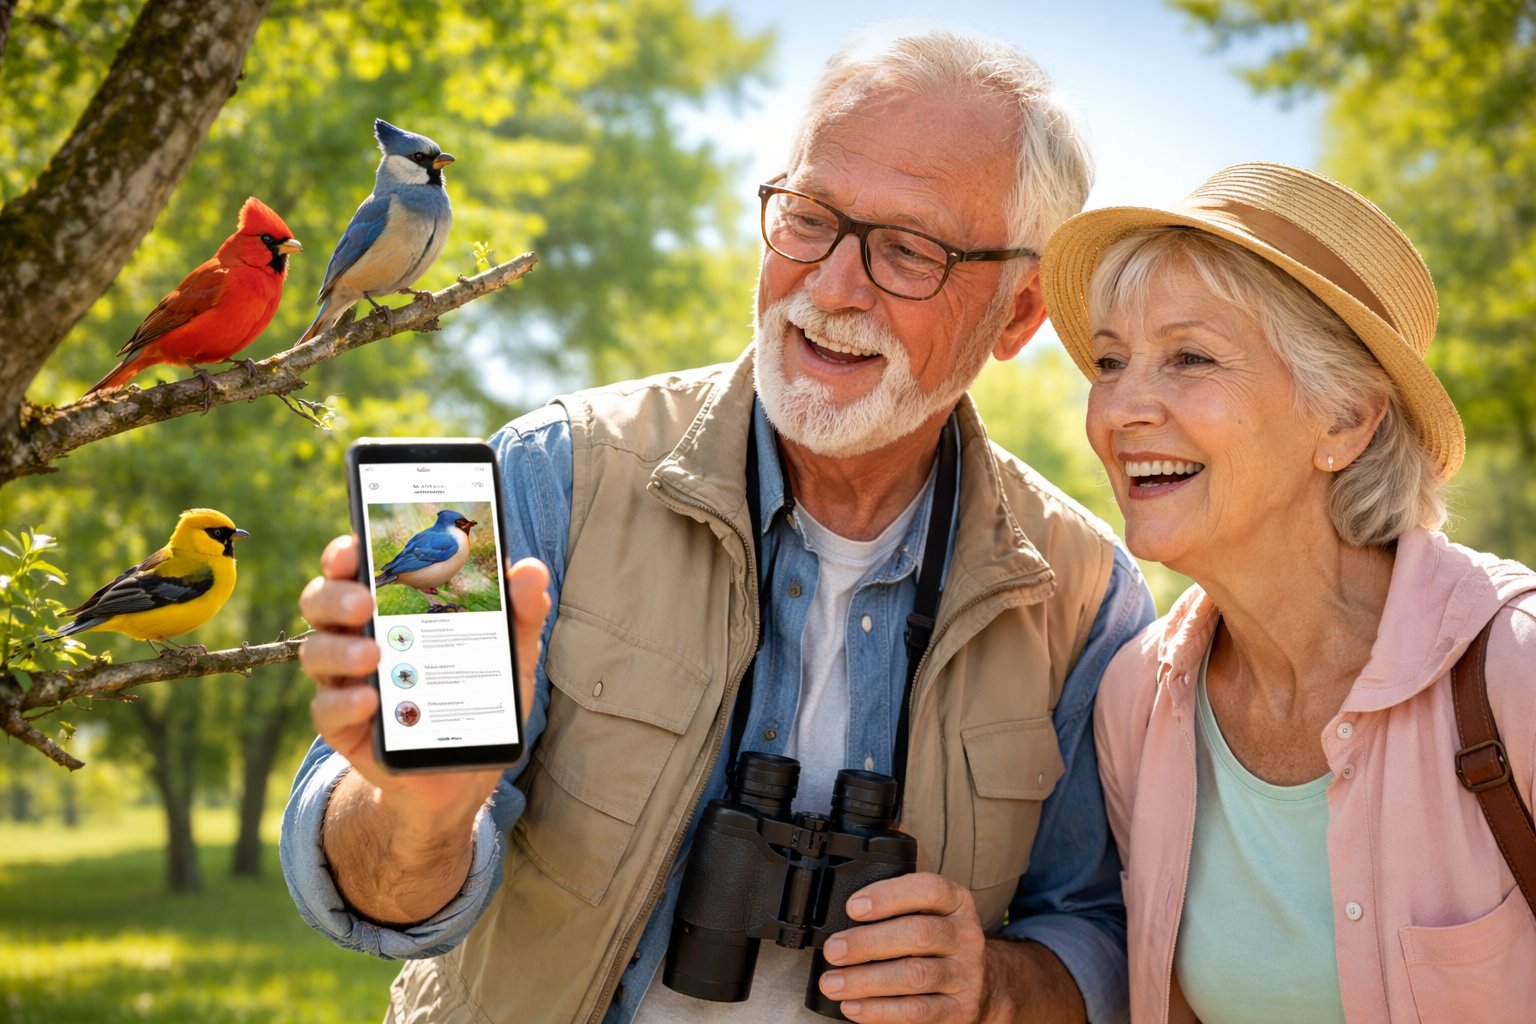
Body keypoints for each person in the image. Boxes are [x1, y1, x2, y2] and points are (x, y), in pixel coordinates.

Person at [282, 28, 1156, 1024]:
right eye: (810, 218)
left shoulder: (1085, 594)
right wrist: (420, 814)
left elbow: (1106, 929)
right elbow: (374, 892)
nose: (830, 286)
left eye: (909, 251)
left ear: (1018, 312)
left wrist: (991, 984)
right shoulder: (552, 475)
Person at [1039, 161, 1536, 1023]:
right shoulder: (1137, 704)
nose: (1119, 408)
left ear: (1345, 420)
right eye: (1112, 361)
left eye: (1190, 357)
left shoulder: (1517, 672)